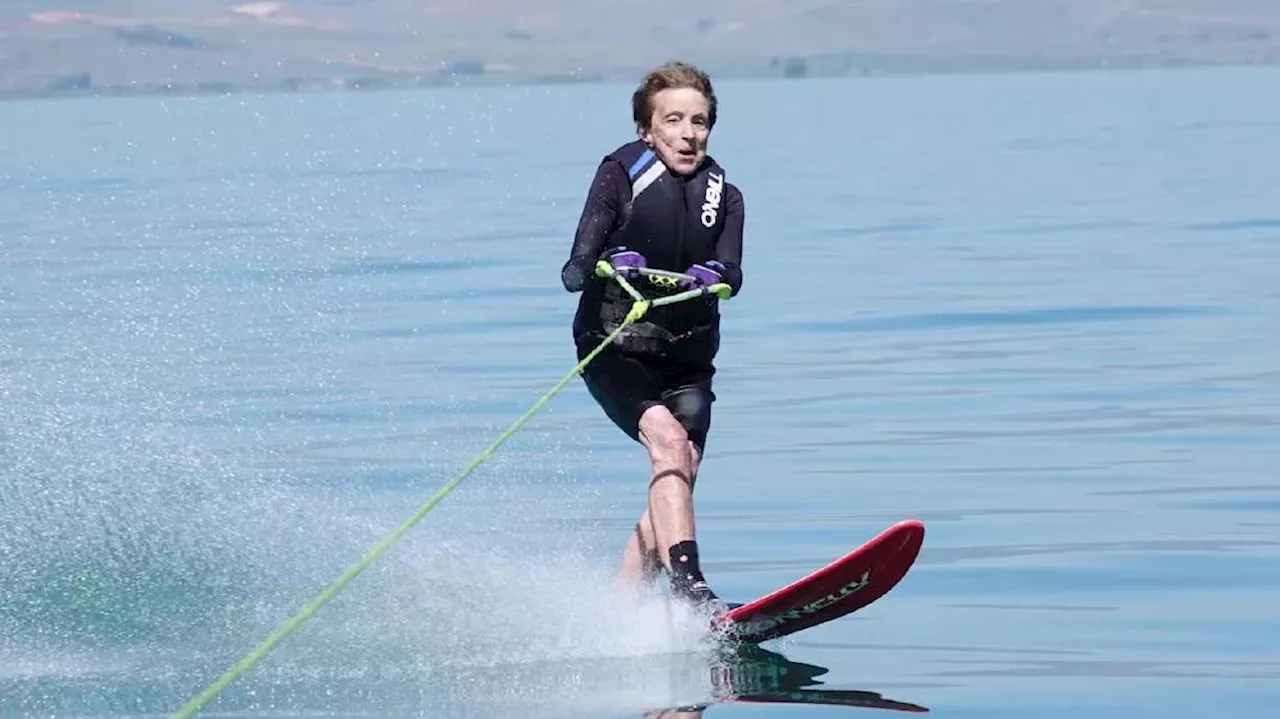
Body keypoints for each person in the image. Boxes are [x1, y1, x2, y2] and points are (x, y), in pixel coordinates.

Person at [559, 61, 745, 616]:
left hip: (687, 360)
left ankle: (620, 616)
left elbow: (733, 272)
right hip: (616, 348)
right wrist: (612, 262)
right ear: (648, 130)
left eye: (701, 122)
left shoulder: (727, 196)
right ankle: (693, 595)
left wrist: (719, 277)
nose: (689, 134)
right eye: (674, 121)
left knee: (676, 477)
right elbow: (574, 270)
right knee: (668, 444)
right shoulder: (620, 176)